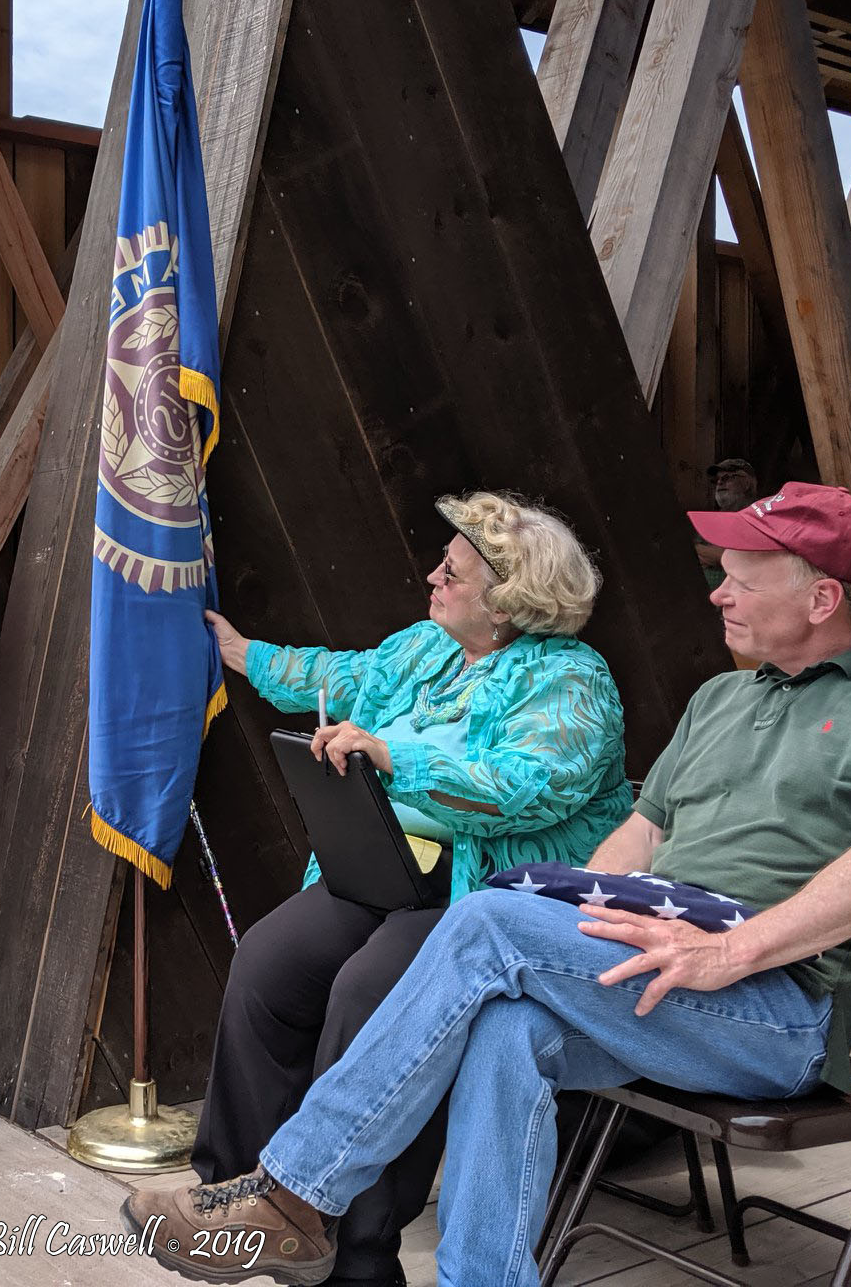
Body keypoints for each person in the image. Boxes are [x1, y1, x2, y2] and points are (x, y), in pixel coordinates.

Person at [126, 483, 851, 1287]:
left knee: (487, 919)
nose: (718, 596)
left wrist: (733, 950)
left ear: (823, 599)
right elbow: (641, 837)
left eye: (740, 583)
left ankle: (294, 1197)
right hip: (656, 964)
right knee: (507, 1025)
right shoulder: (723, 698)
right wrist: (572, 907)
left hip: (778, 1005)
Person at [194, 492, 627, 1287]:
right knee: (267, 963)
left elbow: (532, 785)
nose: (433, 577)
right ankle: (236, 1198)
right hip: (382, 870)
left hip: (484, 900)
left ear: (507, 598)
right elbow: (341, 674)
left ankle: (349, 1253)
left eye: (452, 570)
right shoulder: (425, 647)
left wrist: (399, 760)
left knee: (369, 994)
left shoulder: (572, 679)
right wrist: (245, 654)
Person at [696, 457, 760, 587]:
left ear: (746, 483)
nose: (719, 483)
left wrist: (717, 555)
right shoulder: (711, 521)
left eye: (727, 478)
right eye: (717, 480)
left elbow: (755, 558)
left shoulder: (759, 515)